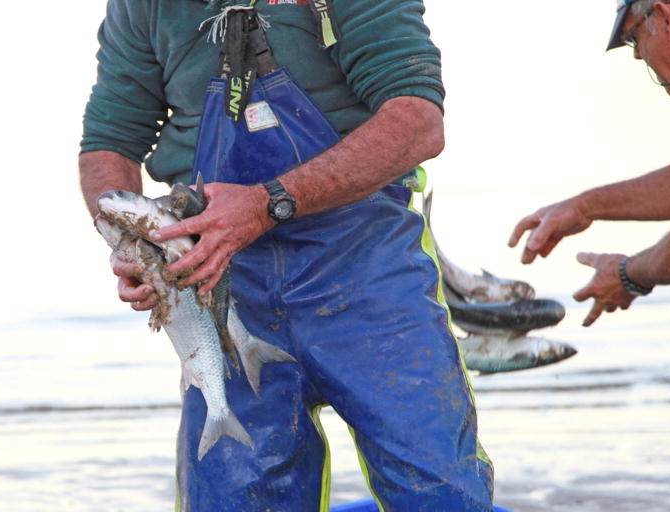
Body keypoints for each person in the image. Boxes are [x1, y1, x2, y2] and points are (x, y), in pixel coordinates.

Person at [79, 1, 494, 510]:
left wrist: (266, 203)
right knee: (233, 496)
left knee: (439, 491)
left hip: (367, 271)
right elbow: (109, 144)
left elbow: (416, 122)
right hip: (223, 285)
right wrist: (130, 246)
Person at [509, 0, 670, 327]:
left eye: (633, 38)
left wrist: (627, 275)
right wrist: (585, 207)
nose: (638, 56)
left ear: (664, 17)